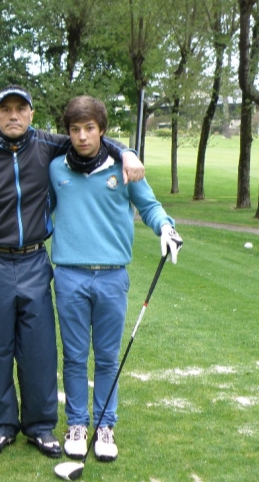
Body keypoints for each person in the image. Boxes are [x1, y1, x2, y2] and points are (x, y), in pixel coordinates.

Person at [0, 85, 145, 459]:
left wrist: (128, 151)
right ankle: (2, 425)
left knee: (39, 350)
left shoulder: (47, 146)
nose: (13, 116)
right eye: (5, 109)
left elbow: (92, 134)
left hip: (35, 260)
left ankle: (40, 426)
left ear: (30, 114)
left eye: (20, 109)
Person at [49, 95, 182, 462]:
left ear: (102, 130)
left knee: (107, 357)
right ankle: (77, 423)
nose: (82, 137)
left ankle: (105, 425)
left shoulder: (125, 167)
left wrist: (166, 228)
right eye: (75, 129)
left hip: (111, 277)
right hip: (70, 276)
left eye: (89, 128)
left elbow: (149, 206)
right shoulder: (57, 168)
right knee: (74, 357)